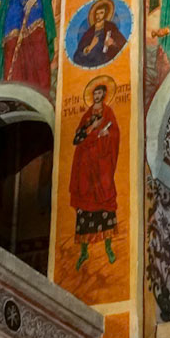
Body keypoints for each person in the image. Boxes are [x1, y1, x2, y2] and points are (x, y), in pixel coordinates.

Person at [70, 81, 120, 267]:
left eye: (100, 93)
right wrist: (93, 131)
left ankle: (108, 248)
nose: (97, 96)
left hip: (102, 167)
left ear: (104, 95)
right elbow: (77, 139)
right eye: (95, 93)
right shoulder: (87, 115)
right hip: (85, 168)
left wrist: (107, 135)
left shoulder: (108, 113)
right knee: (85, 209)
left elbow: (115, 135)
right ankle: (83, 253)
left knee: (106, 207)